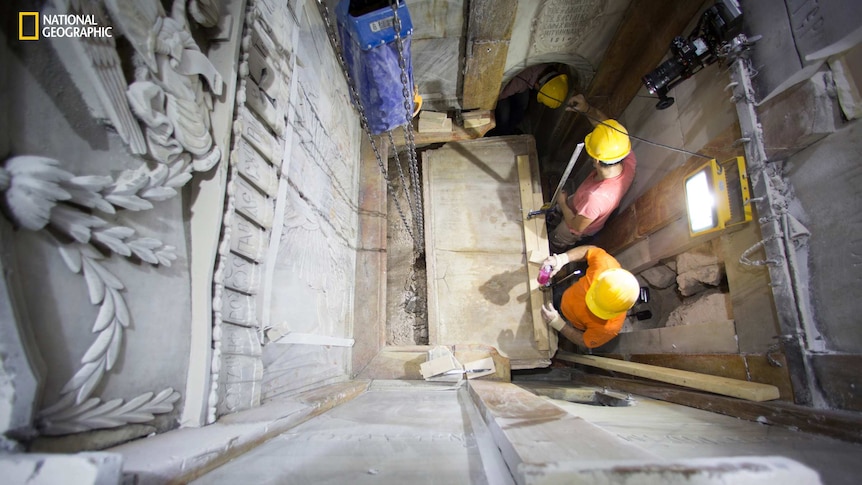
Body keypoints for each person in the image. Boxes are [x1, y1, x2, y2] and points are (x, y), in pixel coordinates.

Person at [548, 94, 636, 254]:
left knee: (557, 238)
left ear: (596, 160)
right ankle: (552, 217)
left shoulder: (596, 197)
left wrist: (562, 203)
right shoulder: (627, 158)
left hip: (573, 226)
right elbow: (607, 132)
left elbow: (575, 226)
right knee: (558, 210)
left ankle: (552, 246)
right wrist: (587, 109)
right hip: (579, 203)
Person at [539, 245, 640, 350]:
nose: (589, 305)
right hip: (567, 294)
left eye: (597, 309)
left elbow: (584, 341)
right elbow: (589, 251)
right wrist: (561, 259)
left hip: (569, 321)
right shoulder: (605, 265)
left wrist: (559, 324)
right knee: (557, 294)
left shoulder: (609, 328)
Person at [487, 64, 569, 136]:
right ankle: (502, 133)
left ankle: (511, 128)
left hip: (524, 83)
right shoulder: (519, 81)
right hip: (501, 86)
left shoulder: (544, 67)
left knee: (522, 104)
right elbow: (499, 95)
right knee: (504, 114)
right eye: (538, 90)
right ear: (537, 84)